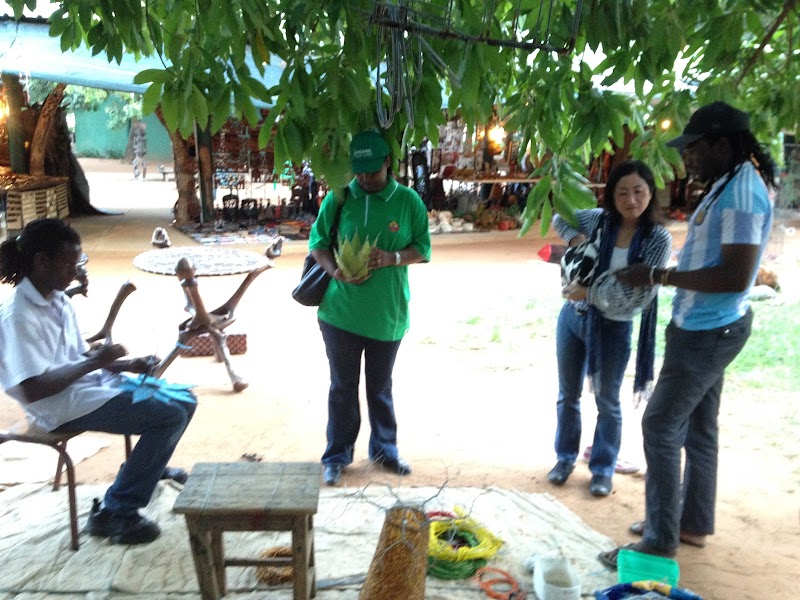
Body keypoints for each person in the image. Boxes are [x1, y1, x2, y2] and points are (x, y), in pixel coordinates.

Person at [600, 102, 775, 565]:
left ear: (721, 144)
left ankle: (660, 538)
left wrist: (659, 277)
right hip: (704, 325)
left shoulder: (741, 194)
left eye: (694, 150)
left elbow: (736, 276)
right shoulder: (728, 184)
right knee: (699, 427)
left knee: (659, 424)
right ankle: (692, 522)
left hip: (708, 331)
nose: (688, 160)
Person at [0, 219, 196, 545]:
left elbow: (77, 358)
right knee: (169, 416)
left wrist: (127, 364)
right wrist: (96, 362)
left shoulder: (57, 299)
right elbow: (33, 389)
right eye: (69, 264)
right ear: (41, 261)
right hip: (56, 406)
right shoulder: (18, 314)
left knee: (185, 399)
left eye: (78, 263)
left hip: (85, 388)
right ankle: (115, 512)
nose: (75, 271)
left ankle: (143, 469)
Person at [308, 129, 432, 486]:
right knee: (342, 387)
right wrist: (336, 271)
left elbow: (422, 249)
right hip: (340, 313)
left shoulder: (408, 202)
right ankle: (336, 454)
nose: (364, 177)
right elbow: (318, 243)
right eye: (359, 170)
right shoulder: (341, 197)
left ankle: (385, 449)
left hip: (387, 314)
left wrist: (392, 257)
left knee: (380, 386)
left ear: (387, 163)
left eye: (371, 171)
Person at [548, 160, 672, 497]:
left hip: (614, 328)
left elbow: (637, 297)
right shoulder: (600, 220)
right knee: (567, 395)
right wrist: (574, 237)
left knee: (607, 401)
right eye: (622, 192)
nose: (631, 200)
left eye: (638, 191)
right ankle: (565, 458)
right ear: (611, 196)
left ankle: (602, 469)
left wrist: (588, 292)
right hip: (573, 318)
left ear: (650, 194)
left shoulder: (657, 240)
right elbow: (561, 214)